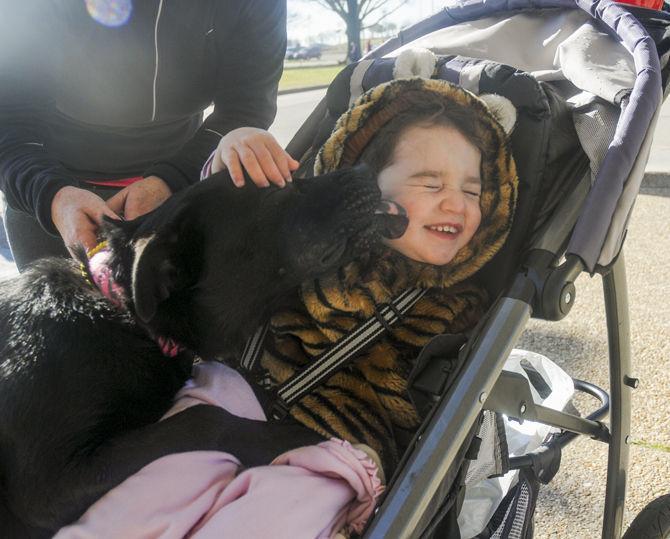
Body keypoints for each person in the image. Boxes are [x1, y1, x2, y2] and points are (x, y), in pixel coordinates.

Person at [55, 76, 519, 537]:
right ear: (373, 184)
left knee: (268, 517)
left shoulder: (459, 303)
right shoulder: (330, 236)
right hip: (229, 392)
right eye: (430, 183)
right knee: (135, 504)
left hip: (335, 444)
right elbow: (229, 232)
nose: (455, 204)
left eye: (473, 192)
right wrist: (236, 145)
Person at [0, 0, 298, 272]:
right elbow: (10, 121)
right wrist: (53, 197)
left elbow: (244, 108)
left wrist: (171, 179)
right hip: (48, 186)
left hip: (179, 181)